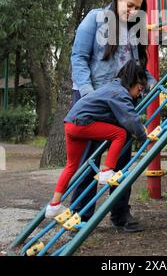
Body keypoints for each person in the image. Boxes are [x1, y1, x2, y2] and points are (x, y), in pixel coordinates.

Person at [70, 0, 156, 232]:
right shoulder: (95, 19)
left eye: (137, 9)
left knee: (121, 161)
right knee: (90, 160)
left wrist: (151, 82)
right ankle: (80, 215)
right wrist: (87, 94)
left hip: (121, 102)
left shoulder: (135, 27)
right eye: (128, 6)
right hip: (94, 100)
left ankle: (120, 215)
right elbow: (79, 57)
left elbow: (136, 66)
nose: (132, 12)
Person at [45, 60, 148, 219]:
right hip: (83, 123)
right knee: (119, 133)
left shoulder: (110, 88)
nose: (139, 94)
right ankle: (107, 171)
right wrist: (143, 135)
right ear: (132, 83)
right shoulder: (120, 94)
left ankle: (54, 205)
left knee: (71, 166)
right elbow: (130, 120)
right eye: (139, 89)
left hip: (70, 123)